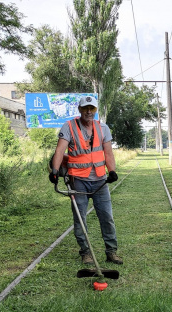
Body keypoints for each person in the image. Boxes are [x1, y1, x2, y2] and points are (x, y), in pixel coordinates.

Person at [49, 95, 123, 265]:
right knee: (80, 219)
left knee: (106, 217)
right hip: (78, 180)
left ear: (95, 110)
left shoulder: (103, 128)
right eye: (85, 108)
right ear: (80, 110)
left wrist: (111, 171)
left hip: (100, 180)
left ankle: (111, 251)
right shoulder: (69, 127)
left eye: (92, 109)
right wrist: (54, 171)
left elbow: (108, 153)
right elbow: (59, 151)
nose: (89, 112)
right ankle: (86, 252)